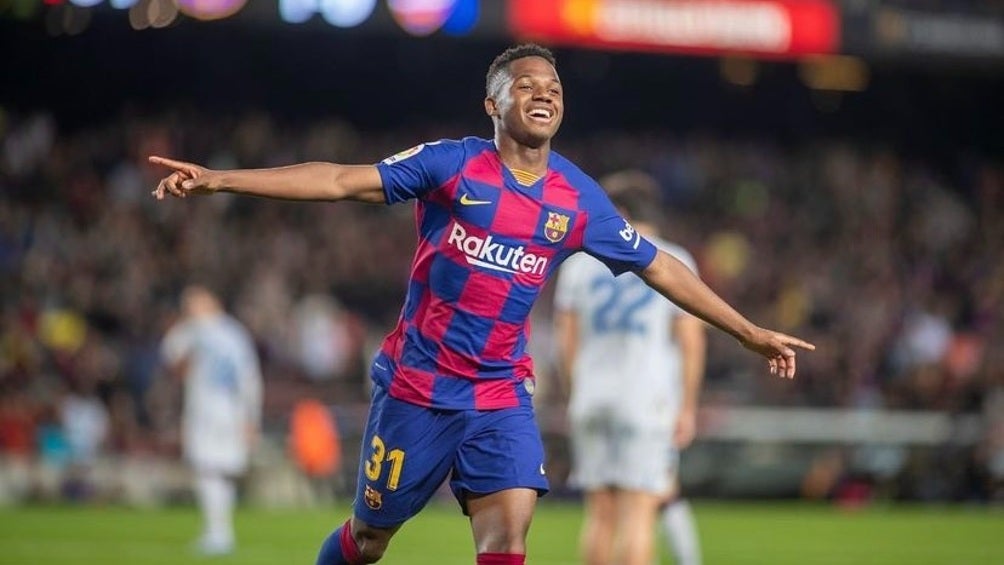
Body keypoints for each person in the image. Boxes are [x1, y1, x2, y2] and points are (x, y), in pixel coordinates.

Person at [148, 43, 814, 565]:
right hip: (417, 388)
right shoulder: (452, 164)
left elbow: (660, 266)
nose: (544, 93)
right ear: (492, 104)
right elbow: (341, 180)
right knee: (370, 539)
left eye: (554, 88)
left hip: (500, 392)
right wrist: (220, 180)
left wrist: (747, 331)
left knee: (507, 538)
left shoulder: (578, 198)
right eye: (526, 85)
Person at [554, 170, 704, 565]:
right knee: (638, 515)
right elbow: (690, 341)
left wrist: (575, 394)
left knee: (600, 515)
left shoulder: (579, 264)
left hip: (591, 395)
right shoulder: (674, 258)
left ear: (617, 210)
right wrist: (688, 406)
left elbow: (566, 340)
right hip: (645, 397)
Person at [160, 285, 263, 556]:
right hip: (231, 411)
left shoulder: (197, 330)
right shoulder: (236, 333)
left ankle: (218, 533)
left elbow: (169, 351)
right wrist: (251, 416)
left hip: (208, 411)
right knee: (218, 470)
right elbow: (250, 379)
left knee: (207, 468)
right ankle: (220, 532)